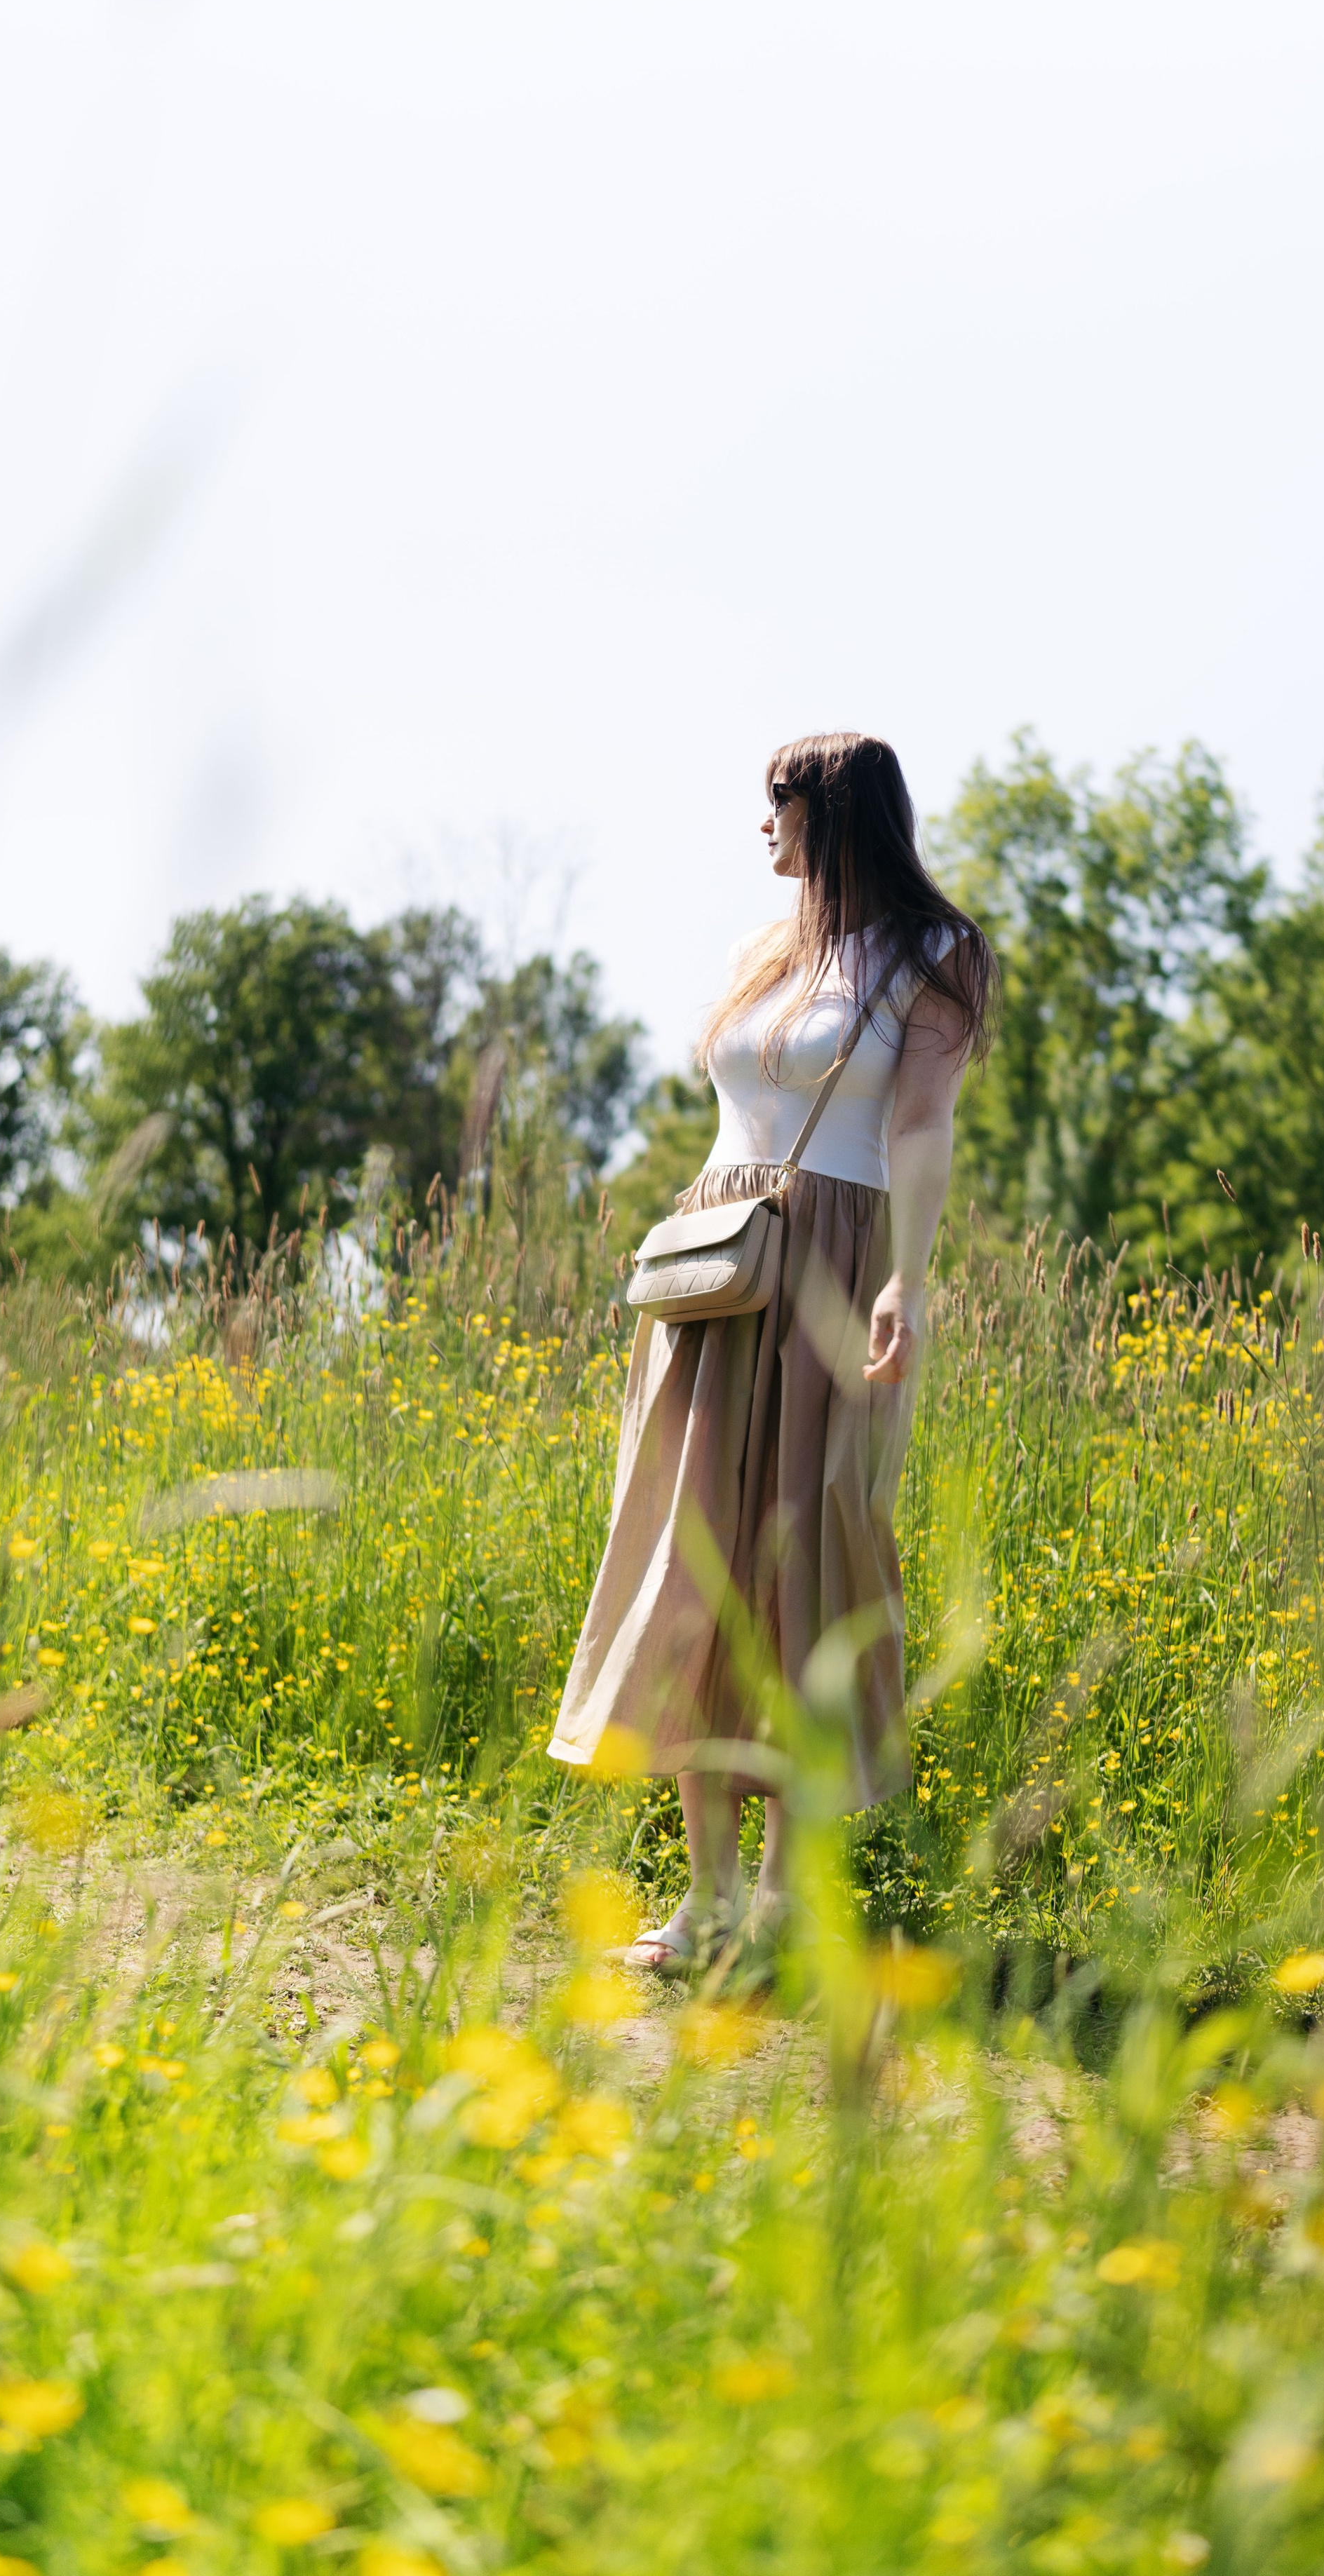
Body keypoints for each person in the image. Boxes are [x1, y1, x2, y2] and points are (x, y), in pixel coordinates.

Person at [546, 732, 996, 1969]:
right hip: (719, 1266)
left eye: (779, 807)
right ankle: (707, 1905)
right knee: (698, 1568)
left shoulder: (933, 954)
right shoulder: (769, 952)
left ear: (833, 815)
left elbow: (920, 1129)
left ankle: (794, 1907)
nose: (764, 831)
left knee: (806, 1563)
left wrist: (908, 1272)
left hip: (835, 1258)